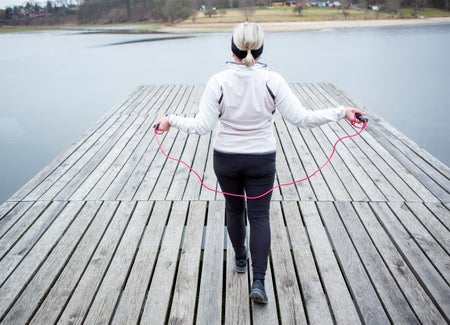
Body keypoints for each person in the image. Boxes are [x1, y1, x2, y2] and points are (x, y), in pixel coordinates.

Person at [154, 22, 365, 304]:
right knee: (259, 217)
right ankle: (259, 282)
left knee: (234, 209)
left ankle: (240, 260)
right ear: (262, 49)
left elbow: (202, 126)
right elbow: (302, 118)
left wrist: (171, 120)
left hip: (226, 160)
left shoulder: (218, 81)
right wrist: (342, 112)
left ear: (233, 48)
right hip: (261, 161)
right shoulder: (273, 81)